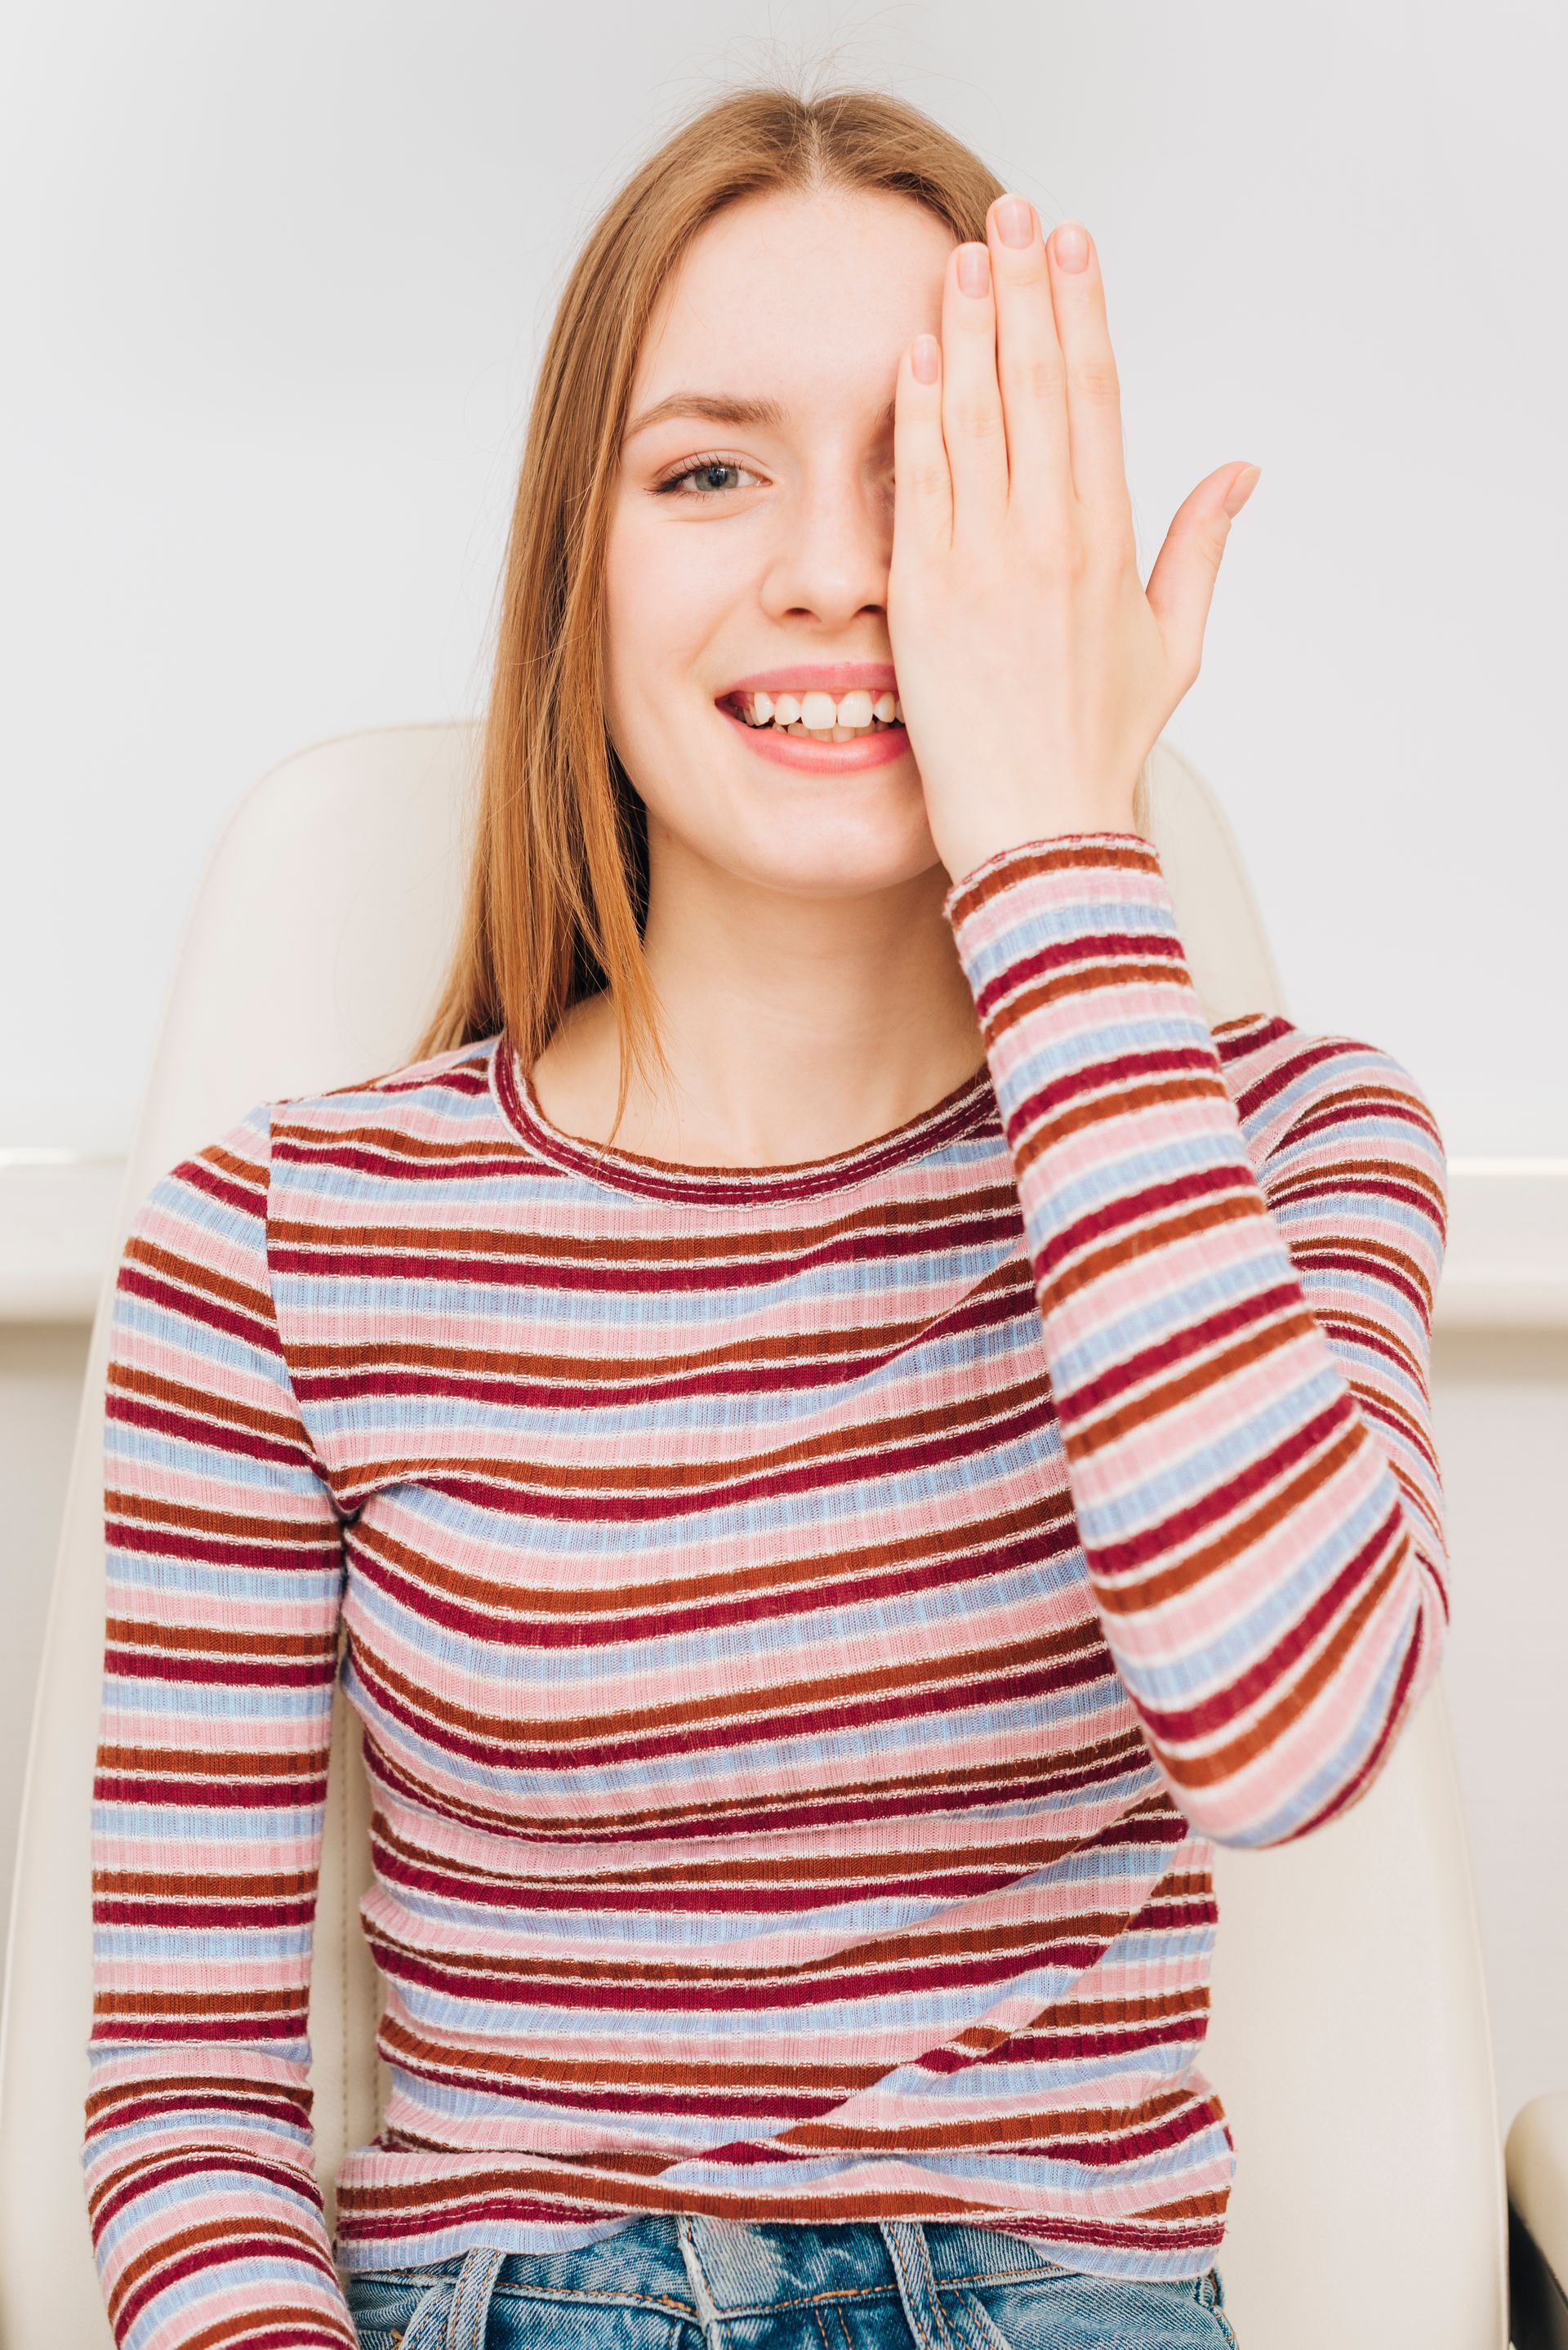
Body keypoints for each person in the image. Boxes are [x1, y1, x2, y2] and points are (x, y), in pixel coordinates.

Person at [80, 81, 1449, 2350]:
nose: (835, 569)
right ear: (577, 567)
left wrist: (1059, 837)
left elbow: (1289, 1736)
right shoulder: (277, 1245)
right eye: (715, 470)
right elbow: (185, 2104)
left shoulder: (1287, 1148)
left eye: (936, 481)